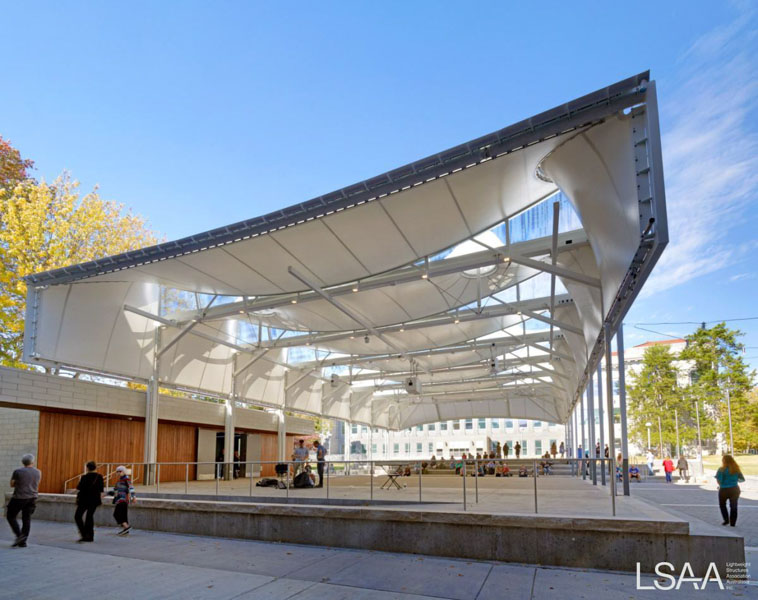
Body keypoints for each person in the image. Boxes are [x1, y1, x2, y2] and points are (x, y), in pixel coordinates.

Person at [6, 454, 41, 548]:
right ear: (32, 462)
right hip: (32, 498)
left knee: (10, 516)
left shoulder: (18, 471)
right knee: (26, 519)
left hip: (19, 497)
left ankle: (19, 535)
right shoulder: (38, 472)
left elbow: (12, 484)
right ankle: (23, 541)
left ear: (23, 462)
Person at [75, 461, 104, 542]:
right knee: (89, 517)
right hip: (94, 500)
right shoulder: (99, 477)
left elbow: (79, 488)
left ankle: (84, 534)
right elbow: (101, 489)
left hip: (84, 500)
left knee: (78, 516)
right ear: (95, 468)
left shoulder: (84, 477)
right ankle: (90, 536)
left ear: (87, 468)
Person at [716, 455, 745, 527]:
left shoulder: (721, 469)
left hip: (723, 490)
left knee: (722, 505)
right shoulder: (736, 469)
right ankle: (733, 523)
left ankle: (726, 520)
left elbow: (718, 480)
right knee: (734, 506)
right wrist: (733, 481)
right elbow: (742, 479)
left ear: (723, 461)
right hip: (734, 489)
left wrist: (722, 484)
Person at [112, 465, 135, 535]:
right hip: (119, 499)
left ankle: (126, 526)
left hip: (123, 499)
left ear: (123, 471)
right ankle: (126, 530)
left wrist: (133, 497)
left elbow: (131, 488)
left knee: (116, 514)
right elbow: (115, 490)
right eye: (117, 471)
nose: (118, 473)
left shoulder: (126, 479)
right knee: (124, 515)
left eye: (120, 471)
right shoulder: (119, 480)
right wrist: (106, 493)